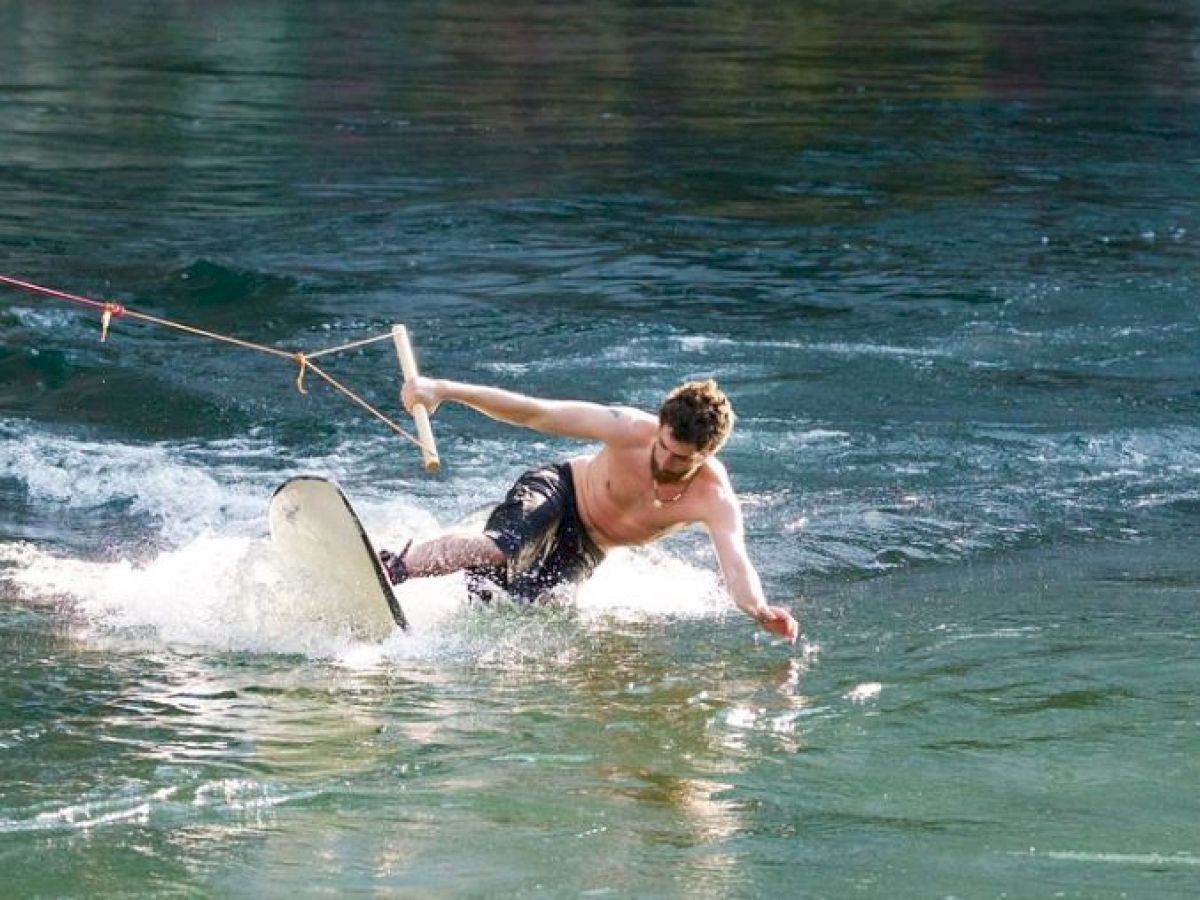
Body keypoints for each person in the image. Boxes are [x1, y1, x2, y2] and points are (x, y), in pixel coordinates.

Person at [380, 377, 800, 643]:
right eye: (664, 447)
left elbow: (736, 563)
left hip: (586, 548)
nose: (666, 462)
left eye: (681, 459)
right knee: (501, 548)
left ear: (706, 454)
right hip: (559, 493)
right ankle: (395, 566)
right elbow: (533, 412)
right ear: (659, 428)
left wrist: (759, 609)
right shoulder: (628, 428)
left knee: (519, 611)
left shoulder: (714, 496)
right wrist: (444, 390)